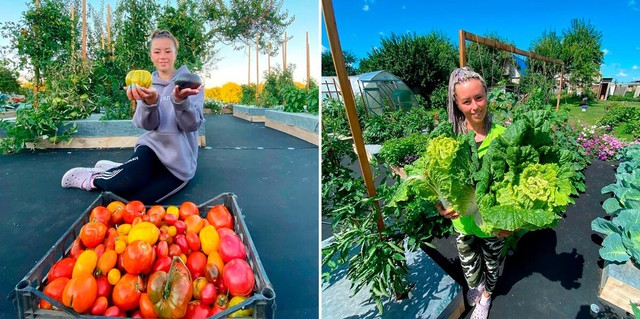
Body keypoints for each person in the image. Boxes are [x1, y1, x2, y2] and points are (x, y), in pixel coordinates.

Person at [61, 29, 205, 203]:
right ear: (151, 55)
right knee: (120, 185)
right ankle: (94, 178)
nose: (163, 56)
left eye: (168, 51)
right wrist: (149, 103)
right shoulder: (147, 85)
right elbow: (147, 125)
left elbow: (191, 125)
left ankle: (122, 168)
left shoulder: (190, 84)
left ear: (175, 53)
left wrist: (180, 101)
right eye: (157, 51)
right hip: (152, 148)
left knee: (135, 202)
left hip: (178, 160)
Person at [435, 67, 510, 319]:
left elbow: (514, 184)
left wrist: (514, 223)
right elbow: (434, 175)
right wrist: (439, 202)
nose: (475, 106)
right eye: (466, 101)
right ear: (456, 103)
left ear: (486, 96)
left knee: (492, 263)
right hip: (462, 221)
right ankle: (475, 287)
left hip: (492, 223)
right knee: (469, 264)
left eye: (479, 97)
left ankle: (486, 297)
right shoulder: (450, 137)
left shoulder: (503, 137)